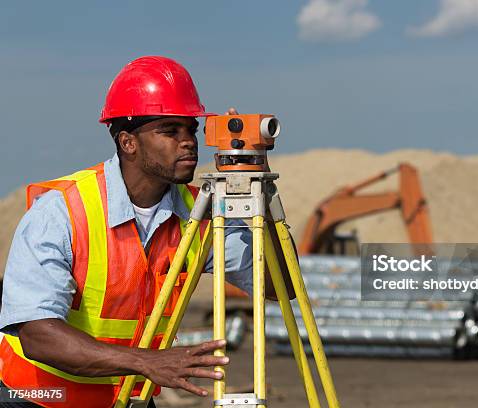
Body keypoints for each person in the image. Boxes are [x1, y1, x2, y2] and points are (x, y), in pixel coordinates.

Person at [0, 56, 294, 408]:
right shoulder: (62, 211)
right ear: (128, 142)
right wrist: (146, 362)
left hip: (127, 396)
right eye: (170, 131)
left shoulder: (199, 213)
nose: (188, 142)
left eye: (191, 130)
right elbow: (37, 336)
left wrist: (258, 190)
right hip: (37, 396)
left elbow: (282, 286)